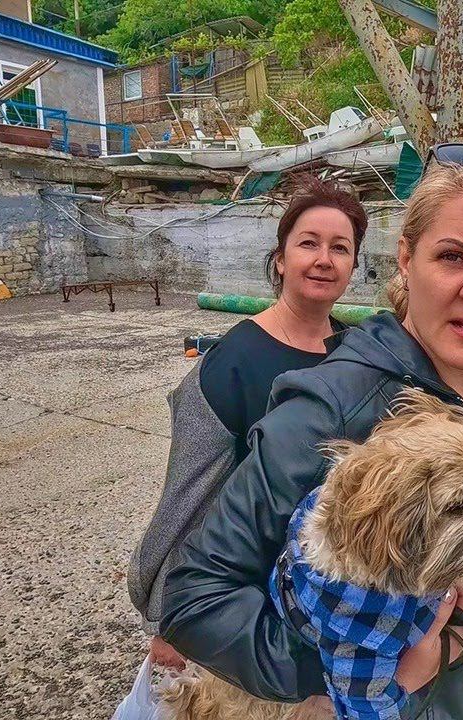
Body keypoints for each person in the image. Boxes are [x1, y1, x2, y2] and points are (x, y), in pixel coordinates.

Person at [161, 148, 463, 719]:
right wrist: (364, 664)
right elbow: (195, 599)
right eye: (454, 256)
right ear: (406, 258)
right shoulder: (328, 409)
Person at [127, 176, 368, 670]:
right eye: (308, 243)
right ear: (280, 259)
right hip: (248, 594)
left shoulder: (356, 353)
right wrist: (171, 617)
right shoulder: (232, 361)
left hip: (328, 589)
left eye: (340, 248)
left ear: (352, 266)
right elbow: (190, 495)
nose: (324, 259)